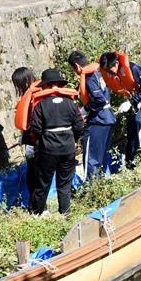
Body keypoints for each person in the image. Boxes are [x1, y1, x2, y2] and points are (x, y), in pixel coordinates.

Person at [29, 68, 84, 215]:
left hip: (48, 149)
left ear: (46, 85)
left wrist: (44, 139)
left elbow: (35, 128)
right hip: (68, 148)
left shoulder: (40, 104)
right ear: (59, 84)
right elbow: (79, 126)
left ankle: (37, 213)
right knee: (64, 184)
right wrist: (72, 139)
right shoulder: (71, 102)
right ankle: (65, 213)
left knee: (43, 183)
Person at [99, 51, 141, 167]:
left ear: (117, 63)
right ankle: (129, 161)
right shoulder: (110, 72)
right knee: (131, 127)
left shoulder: (134, 69)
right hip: (135, 101)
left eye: (110, 70)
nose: (109, 73)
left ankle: (139, 156)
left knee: (139, 122)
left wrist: (130, 102)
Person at [68, 50, 115, 180]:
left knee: (91, 157)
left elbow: (100, 100)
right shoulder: (98, 73)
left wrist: (84, 110)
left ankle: (91, 186)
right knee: (102, 156)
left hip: (98, 121)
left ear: (77, 66)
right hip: (108, 118)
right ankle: (101, 184)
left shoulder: (89, 77)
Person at [11, 67, 40, 209]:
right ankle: (37, 205)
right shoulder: (37, 92)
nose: (17, 88)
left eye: (18, 84)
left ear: (25, 82)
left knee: (33, 175)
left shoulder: (32, 97)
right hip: (40, 140)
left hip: (35, 142)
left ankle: (36, 206)